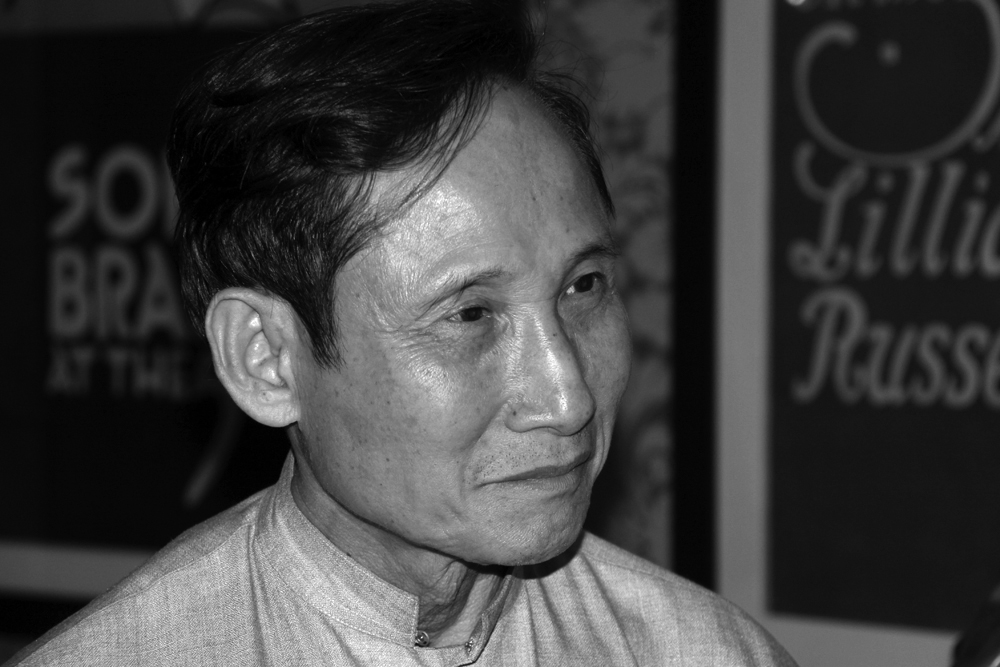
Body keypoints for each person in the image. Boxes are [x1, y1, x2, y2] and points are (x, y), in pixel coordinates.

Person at [7, 2, 798, 665]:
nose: (569, 397)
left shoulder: (705, 652)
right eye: (470, 315)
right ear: (266, 359)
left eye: (582, 286)